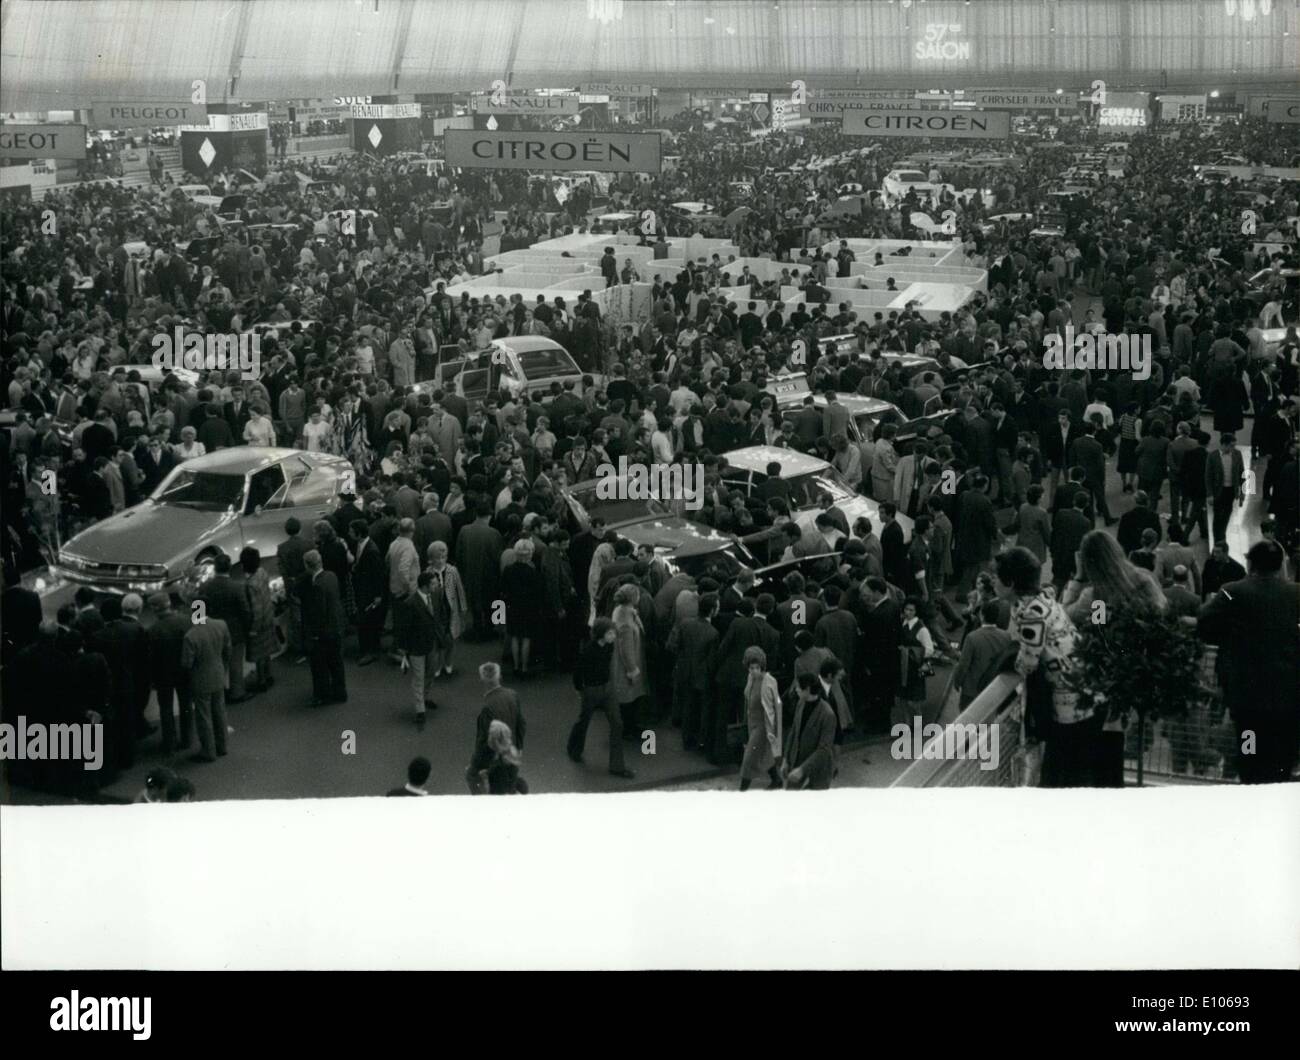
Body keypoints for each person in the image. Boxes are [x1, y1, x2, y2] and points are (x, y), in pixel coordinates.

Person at [1198, 540, 1300, 783]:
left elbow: (1205, 624)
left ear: (1251, 563)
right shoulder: (1296, 594)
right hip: (1287, 697)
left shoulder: (1233, 592)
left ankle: (1250, 788)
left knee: (1249, 752)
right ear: (1280, 565)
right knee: (1281, 757)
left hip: (1247, 698)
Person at [995, 547, 1093, 788]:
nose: (994, 582)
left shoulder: (1032, 613)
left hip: (1069, 703)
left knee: (1062, 771)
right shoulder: (1044, 601)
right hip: (1083, 691)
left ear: (1010, 583)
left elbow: (1027, 663)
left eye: (998, 577)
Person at [567, 618, 635, 779]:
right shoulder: (588, 650)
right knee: (584, 720)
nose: (613, 636)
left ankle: (617, 767)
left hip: (607, 689)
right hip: (591, 690)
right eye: (610, 633)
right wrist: (579, 690)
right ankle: (573, 747)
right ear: (601, 634)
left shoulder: (609, 646)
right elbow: (577, 672)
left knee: (617, 723)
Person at [398, 569, 451, 727]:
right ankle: (420, 710)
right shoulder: (410, 603)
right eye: (434, 583)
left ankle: (425, 697)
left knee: (430, 674)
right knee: (418, 679)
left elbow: (440, 615)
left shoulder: (434, 596)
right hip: (417, 648)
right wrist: (404, 653)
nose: (437, 585)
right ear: (425, 586)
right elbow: (404, 629)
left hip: (432, 644)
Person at [466, 662, 526, 794]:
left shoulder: (487, 708)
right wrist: (519, 747)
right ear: (499, 676)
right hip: (512, 751)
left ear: (482, 679)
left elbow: (483, 742)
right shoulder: (512, 694)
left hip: (496, 759)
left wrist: (475, 764)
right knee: (509, 783)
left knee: (470, 776)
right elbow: (521, 723)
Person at [181, 611, 231, 764]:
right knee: (220, 712)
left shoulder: (191, 635)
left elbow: (186, 663)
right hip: (218, 674)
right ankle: (222, 746)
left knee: (204, 717)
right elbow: (228, 648)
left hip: (201, 680)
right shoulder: (221, 624)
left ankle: (208, 751)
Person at [147, 591, 193, 754]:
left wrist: (152, 679)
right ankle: (187, 738)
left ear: (155, 609)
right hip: (184, 670)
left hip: (163, 675)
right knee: (186, 704)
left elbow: (151, 658)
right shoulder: (185, 621)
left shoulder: (153, 631)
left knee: (166, 708)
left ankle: (170, 743)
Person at [301, 548, 347, 706]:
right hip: (336, 626)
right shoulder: (331, 576)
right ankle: (340, 692)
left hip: (323, 632)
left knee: (320, 666)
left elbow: (318, 613)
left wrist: (314, 634)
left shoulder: (317, 585)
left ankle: (322, 695)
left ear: (307, 566)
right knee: (336, 663)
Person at [951, 600, 1014, 710]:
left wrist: (957, 682)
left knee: (967, 720)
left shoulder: (972, 637)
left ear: (982, 616)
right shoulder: (1006, 637)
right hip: (992, 687)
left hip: (971, 688)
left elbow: (963, 665)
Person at [738, 646, 783, 792]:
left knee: (749, 758)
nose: (754, 671)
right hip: (752, 723)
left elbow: (776, 706)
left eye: (757, 668)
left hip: (764, 725)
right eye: (751, 668)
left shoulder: (769, 681)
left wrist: (775, 731)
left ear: (762, 666)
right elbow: (748, 699)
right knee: (763, 755)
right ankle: (777, 780)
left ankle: (742, 791)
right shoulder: (750, 678)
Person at [782, 672, 836, 791]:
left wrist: (802, 770)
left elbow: (824, 749)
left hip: (818, 768)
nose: (795, 689)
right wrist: (786, 759)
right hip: (797, 761)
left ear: (807, 689)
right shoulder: (800, 703)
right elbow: (793, 732)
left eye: (798, 687)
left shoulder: (827, 714)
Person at [610, 583, 649, 740]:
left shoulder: (621, 611)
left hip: (624, 662)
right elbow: (626, 648)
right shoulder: (625, 620)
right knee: (628, 697)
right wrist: (632, 669)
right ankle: (628, 729)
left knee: (628, 697)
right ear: (633, 598)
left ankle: (629, 727)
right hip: (627, 664)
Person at [500, 537, 543, 678]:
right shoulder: (532, 572)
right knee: (526, 638)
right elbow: (538, 593)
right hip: (528, 608)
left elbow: (503, 589)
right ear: (529, 553)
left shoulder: (508, 570)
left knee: (514, 637)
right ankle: (524, 668)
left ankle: (516, 666)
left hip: (512, 607)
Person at [239, 546, 277, 693]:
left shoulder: (250, 584)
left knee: (259, 654)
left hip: (259, 623)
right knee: (267, 651)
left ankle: (261, 681)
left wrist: (253, 629)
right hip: (268, 615)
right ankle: (268, 676)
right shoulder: (262, 572)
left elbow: (256, 608)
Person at [480, 720, 528, 795]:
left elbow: (515, 764)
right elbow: (485, 771)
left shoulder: (509, 749)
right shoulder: (489, 749)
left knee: (522, 785)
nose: (508, 739)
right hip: (496, 784)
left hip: (507, 782)